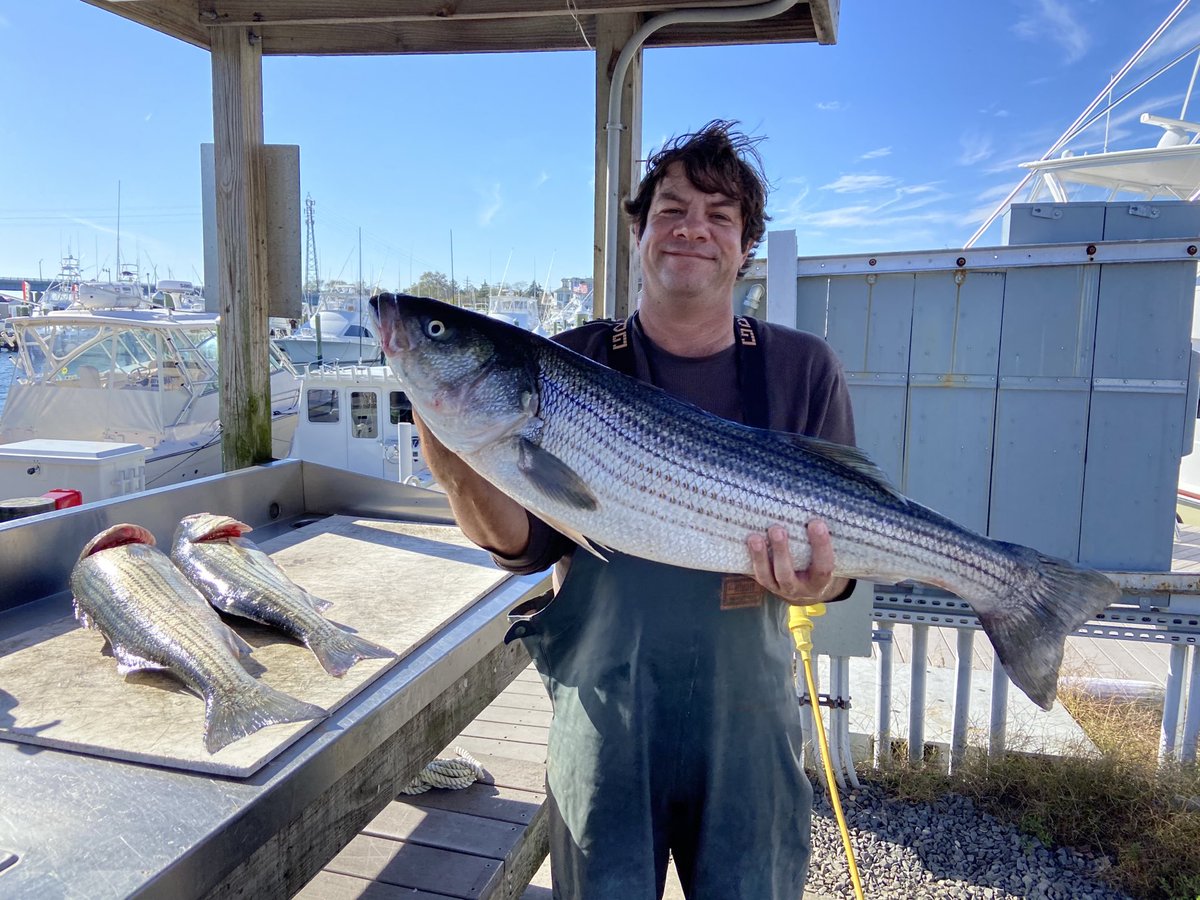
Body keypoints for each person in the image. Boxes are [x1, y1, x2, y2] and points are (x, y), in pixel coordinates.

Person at [414, 120, 856, 899]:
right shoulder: (568, 363)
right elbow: (524, 545)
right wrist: (458, 470)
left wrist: (819, 583)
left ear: (746, 247)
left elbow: (846, 552)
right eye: (673, 210)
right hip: (604, 719)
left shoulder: (802, 368)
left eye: (720, 217)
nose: (693, 229)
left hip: (748, 727)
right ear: (640, 233)